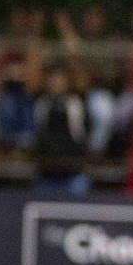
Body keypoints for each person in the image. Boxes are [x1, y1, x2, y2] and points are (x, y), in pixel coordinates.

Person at [32, 62, 89, 193]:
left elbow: (81, 135)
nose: (55, 82)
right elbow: (38, 134)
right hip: (47, 175)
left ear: (67, 81)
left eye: (59, 78)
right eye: (52, 78)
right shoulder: (41, 104)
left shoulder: (75, 104)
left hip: (73, 175)